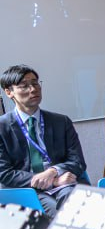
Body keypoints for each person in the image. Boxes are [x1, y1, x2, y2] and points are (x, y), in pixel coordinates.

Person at [0, 64, 87, 215]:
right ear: (9, 92)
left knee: (76, 205)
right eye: (24, 86)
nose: (33, 89)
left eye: (35, 83)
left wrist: (53, 171)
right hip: (26, 190)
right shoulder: (2, 127)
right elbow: (4, 173)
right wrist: (50, 181)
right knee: (60, 213)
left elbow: (77, 161)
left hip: (64, 183)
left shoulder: (61, 121)